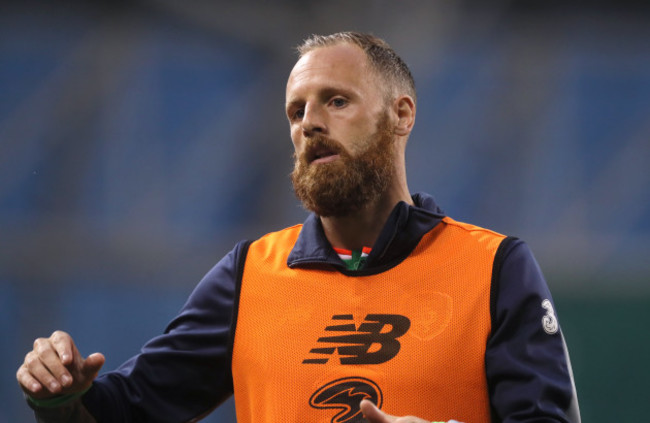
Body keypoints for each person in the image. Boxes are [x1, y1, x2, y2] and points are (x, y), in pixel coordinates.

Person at [17, 31, 580, 423]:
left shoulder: (494, 268)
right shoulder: (250, 275)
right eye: (296, 111)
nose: (310, 123)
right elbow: (125, 411)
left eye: (336, 101)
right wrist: (60, 397)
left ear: (401, 115)